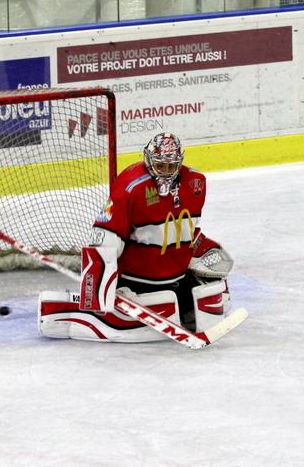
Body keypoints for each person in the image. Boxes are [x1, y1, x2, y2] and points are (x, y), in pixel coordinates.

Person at [37, 132, 235, 342]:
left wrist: (197, 244)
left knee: (215, 293)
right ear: (148, 159)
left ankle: (182, 304)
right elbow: (105, 237)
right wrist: (99, 287)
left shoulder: (196, 183)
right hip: (137, 281)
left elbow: (186, 227)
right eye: (160, 166)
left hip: (175, 277)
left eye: (171, 166)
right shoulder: (131, 186)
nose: (166, 173)